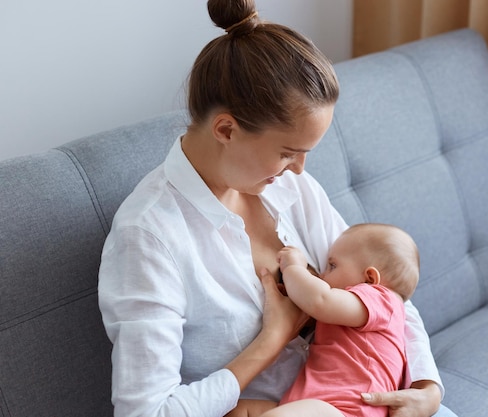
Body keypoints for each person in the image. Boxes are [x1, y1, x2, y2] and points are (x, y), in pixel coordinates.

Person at [97, 0, 445, 416]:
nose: (300, 169)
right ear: (226, 129)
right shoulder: (149, 237)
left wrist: (427, 387)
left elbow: (384, 290)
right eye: (287, 152)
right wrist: (272, 339)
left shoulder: (290, 189)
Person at [229, 223, 421, 417]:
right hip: (310, 404)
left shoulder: (382, 299)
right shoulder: (363, 311)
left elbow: (319, 300)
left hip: (347, 410)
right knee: (236, 411)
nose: (321, 275)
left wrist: (294, 268)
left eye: (332, 265)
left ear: (369, 279)